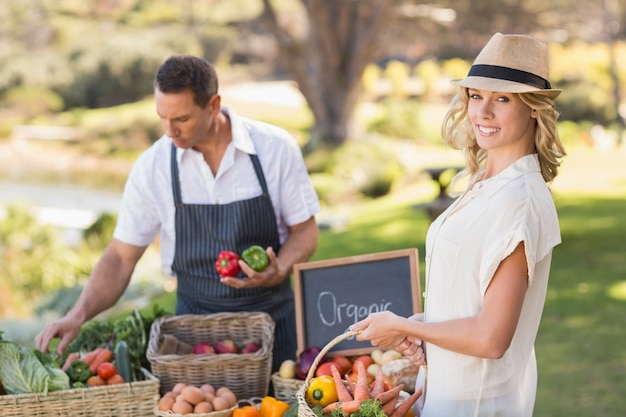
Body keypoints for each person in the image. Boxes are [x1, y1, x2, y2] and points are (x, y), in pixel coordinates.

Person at [36, 54, 321, 372]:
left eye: (181, 120)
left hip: (273, 327)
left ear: (213, 105)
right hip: (193, 339)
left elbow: (305, 232)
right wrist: (77, 315)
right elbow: (120, 257)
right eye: (162, 118)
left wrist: (280, 268)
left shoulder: (274, 149)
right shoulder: (153, 166)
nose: (169, 132)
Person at [351, 33, 566, 416]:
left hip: (479, 403)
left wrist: (408, 326)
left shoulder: (519, 202)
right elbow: (470, 294)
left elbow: (490, 338)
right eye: (475, 96)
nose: (483, 112)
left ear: (533, 108)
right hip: (445, 393)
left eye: (502, 99)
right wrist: (421, 323)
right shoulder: (483, 183)